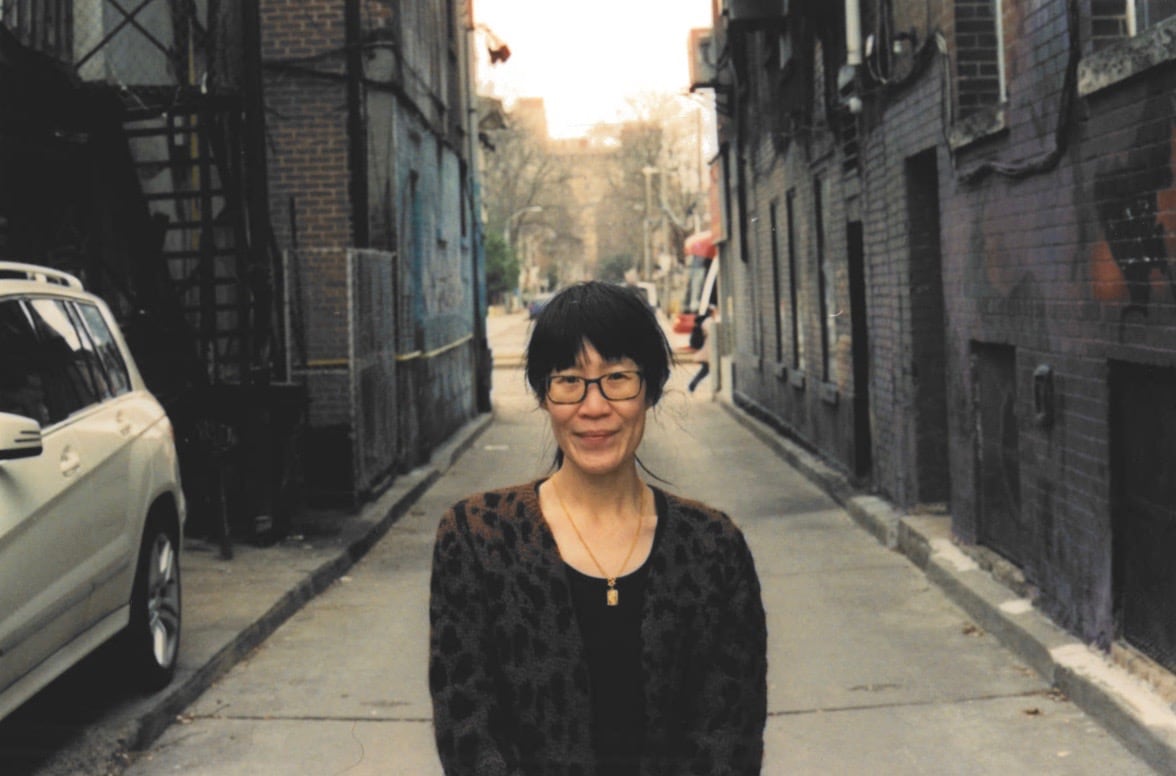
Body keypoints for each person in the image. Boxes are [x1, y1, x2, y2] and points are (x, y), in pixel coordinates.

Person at [429, 281, 767, 776]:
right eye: (568, 380)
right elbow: (468, 734)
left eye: (618, 378)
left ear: (649, 388)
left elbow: (729, 737)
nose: (593, 407)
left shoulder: (713, 548)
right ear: (543, 395)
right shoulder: (477, 538)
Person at [687, 304, 716, 394]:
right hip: (708, 349)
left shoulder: (707, 320)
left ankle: (693, 384)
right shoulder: (709, 321)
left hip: (707, 349)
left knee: (706, 369)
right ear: (712, 312)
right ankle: (693, 384)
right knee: (707, 369)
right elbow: (711, 333)